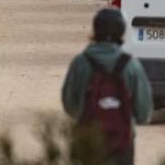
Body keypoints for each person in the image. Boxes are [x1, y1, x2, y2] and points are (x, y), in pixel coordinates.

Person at [62, 8, 152, 165]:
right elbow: (144, 112)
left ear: (95, 30)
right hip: (122, 144)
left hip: (87, 141)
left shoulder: (81, 62)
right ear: (122, 31)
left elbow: (70, 104)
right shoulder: (131, 66)